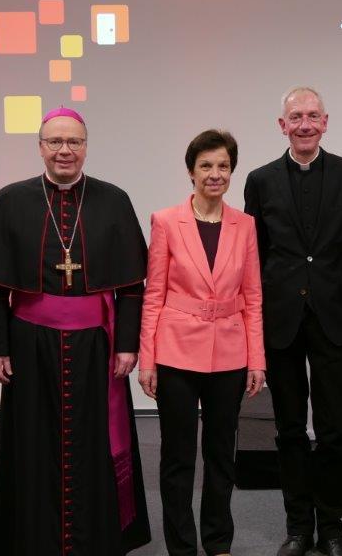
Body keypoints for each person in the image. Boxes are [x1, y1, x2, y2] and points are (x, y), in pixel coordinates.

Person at [0, 107, 152, 555]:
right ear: (40, 147)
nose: (65, 150)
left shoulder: (114, 200)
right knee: (32, 447)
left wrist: (127, 344)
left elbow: (132, 287)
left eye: (74, 141)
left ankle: (97, 538)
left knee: (95, 445)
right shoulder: (11, 200)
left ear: (86, 147)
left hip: (97, 345)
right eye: (55, 142)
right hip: (30, 344)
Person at [244, 87, 342, 556]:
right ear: (282, 125)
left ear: (325, 121)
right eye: (295, 116)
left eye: (312, 116)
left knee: (335, 431)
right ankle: (298, 528)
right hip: (281, 320)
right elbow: (255, 257)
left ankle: (332, 529)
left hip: (336, 319)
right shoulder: (259, 180)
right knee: (289, 430)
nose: (304, 123)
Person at [138, 129, 267, 556]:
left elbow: (252, 296)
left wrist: (256, 359)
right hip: (175, 351)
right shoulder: (165, 221)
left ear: (232, 170)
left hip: (229, 353)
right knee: (177, 457)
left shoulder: (245, 224)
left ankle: (218, 542)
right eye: (206, 166)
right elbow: (153, 293)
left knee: (220, 455)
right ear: (191, 171)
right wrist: (147, 359)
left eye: (223, 166)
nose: (215, 174)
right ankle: (181, 546)